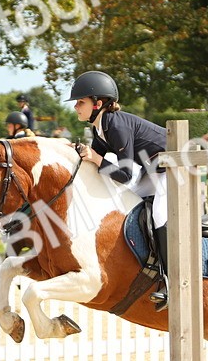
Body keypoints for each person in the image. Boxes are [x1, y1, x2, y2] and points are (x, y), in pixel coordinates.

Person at [68, 70, 170, 310]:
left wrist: (95, 157)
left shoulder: (116, 125)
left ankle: (169, 281)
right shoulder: (100, 128)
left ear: (98, 104)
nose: (75, 107)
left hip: (172, 168)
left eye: (80, 102)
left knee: (159, 215)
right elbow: (95, 163)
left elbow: (122, 174)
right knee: (129, 203)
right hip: (152, 170)